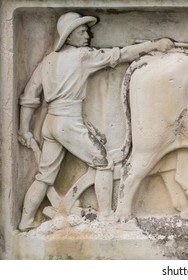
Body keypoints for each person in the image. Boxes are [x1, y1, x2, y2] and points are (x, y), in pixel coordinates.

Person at [17, 12, 174, 231]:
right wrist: (154, 45)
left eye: (86, 30)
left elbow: (29, 97)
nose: (87, 34)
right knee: (104, 163)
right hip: (68, 124)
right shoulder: (82, 56)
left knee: (44, 176)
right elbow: (120, 54)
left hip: (50, 124)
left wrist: (24, 129)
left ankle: (25, 221)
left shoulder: (47, 61)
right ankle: (107, 216)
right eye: (81, 31)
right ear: (68, 36)